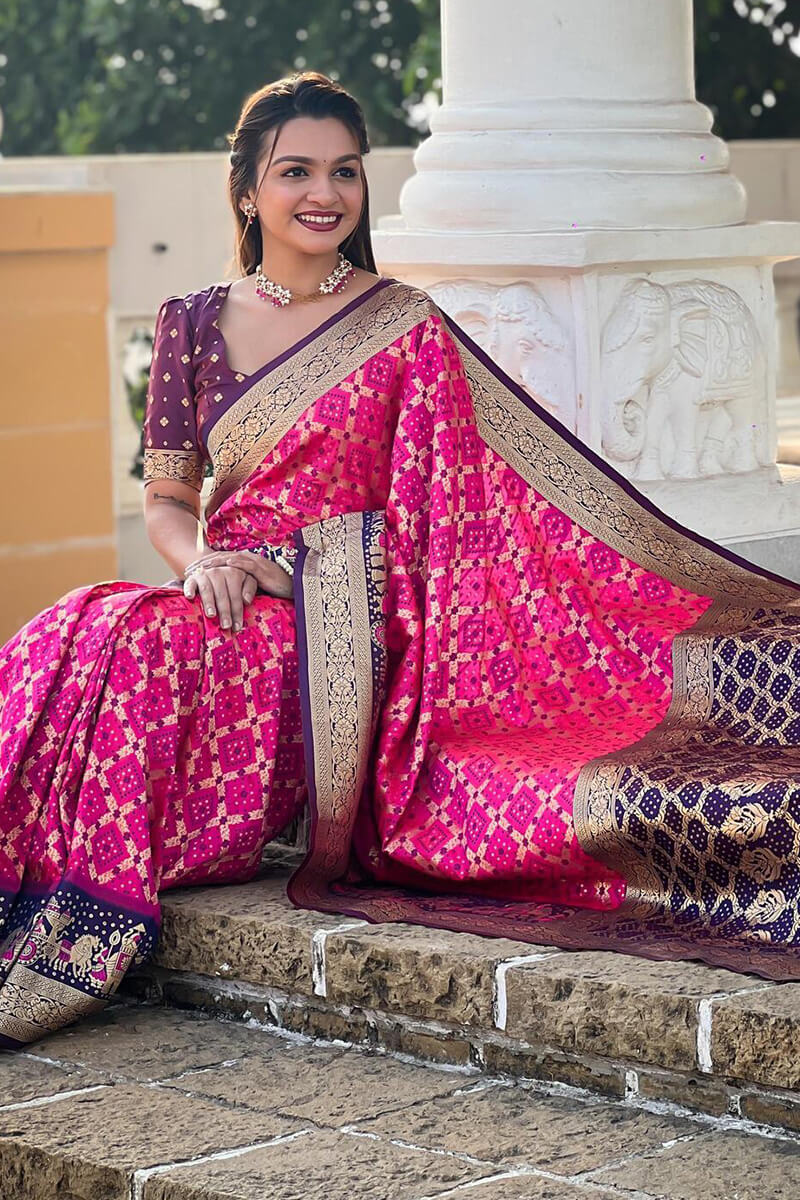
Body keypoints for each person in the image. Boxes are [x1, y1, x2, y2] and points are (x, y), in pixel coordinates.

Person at [2, 71, 799, 1051]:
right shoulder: (191, 325)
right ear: (248, 189)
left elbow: (449, 526)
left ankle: (87, 917)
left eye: (343, 172)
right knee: (85, 621)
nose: (322, 193)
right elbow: (166, 498)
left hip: (334, 636)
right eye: (294, 171)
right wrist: (207, 558)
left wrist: (293, 570)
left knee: (137, 647)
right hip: (220, 594)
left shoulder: (404, 328)